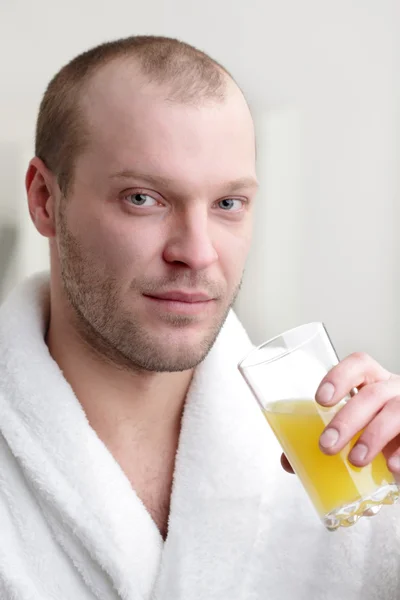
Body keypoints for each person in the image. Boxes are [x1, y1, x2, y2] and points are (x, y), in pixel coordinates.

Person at [0, 35, 400, 600]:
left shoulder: (354, 460)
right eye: (144, 198)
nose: (198, 251)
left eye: (227, 204)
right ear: (45, 199)